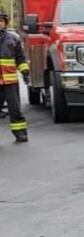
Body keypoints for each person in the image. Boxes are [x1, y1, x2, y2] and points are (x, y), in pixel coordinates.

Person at [0, 10, 29, 142]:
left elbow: (20, 58)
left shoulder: (13, 38)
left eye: (1, 21)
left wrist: (25, 72)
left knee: (15, 109)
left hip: (10, 82)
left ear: (5, 23)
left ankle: (20, 133)